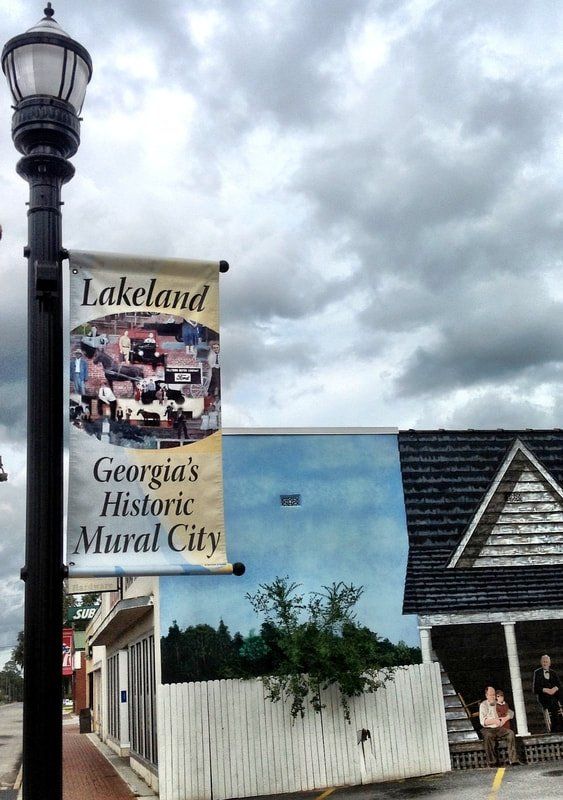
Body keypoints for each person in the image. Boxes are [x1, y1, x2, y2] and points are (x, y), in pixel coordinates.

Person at [479, 686, 520, 766]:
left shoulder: (498, 703)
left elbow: (511, 713)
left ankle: (513, 760)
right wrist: (495, 721)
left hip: (499, 728)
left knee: (510, 733)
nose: (493, 697)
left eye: (494, 695)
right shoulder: (483, 705)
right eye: (490, 695)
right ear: (486, 695)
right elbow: (483, 721)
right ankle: (492, 762)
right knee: (488, 736)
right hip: (488, 728)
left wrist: (505, 719)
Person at [533, 654, 562, 732]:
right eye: (543, 662)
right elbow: (535, 688)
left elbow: (559, 685)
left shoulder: (553, 673)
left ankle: (559, 726)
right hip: (544, 697)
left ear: (549, 663)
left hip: (554, 696)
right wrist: (546, 690)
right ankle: (555, 728)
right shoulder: (537, 673)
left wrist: (554, 689)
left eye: (546, 662)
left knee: (556, 702)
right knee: (553, 704)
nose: (545, 663)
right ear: (541, 663)